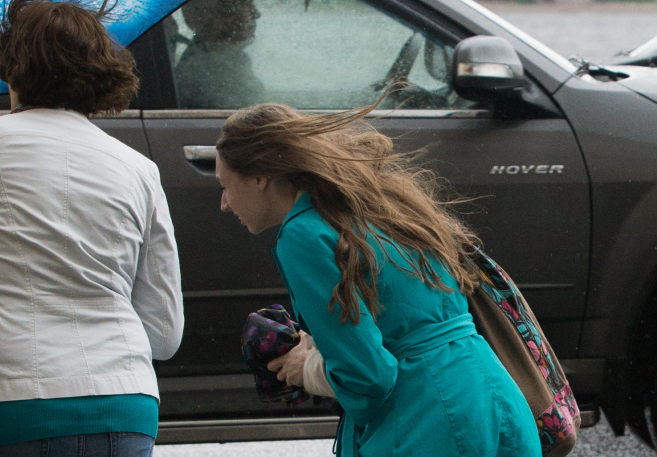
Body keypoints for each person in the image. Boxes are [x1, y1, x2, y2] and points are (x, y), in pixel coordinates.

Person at [0, 0, 184, 457]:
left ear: (12, 68)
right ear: (99, 72)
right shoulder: (139, 168)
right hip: (123, 407)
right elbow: (165, 334)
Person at [214, 100, 541, 457]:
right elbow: (405, 318)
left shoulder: (302, 235)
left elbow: (368, 377)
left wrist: (306, 367)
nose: (224, 204)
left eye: (225, 186)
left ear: (260, 177)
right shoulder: (376, 204)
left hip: (427, 421)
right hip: (495, 402)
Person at [172, 0, 264, 108]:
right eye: (245, 1)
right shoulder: (210, 72)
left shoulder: (219, 59)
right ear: (217, 15)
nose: (256, 13)